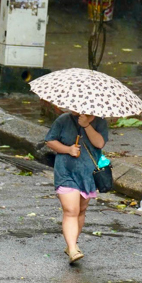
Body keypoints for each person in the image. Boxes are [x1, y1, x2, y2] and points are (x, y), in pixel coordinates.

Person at [44, 111, 109, 264]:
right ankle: (73, 248)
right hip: (66, 172)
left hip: (88, 173)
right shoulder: (63, 120)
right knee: (71, 210)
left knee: (80, 210)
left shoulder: (100, 122)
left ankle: (71, 243)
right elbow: (50, 141)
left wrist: (86, 125)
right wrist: (68, 149)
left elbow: (99, 143)